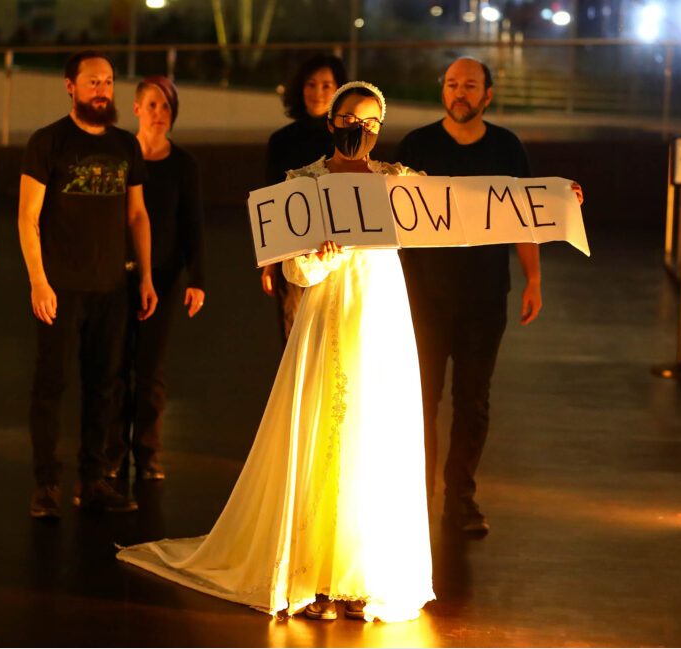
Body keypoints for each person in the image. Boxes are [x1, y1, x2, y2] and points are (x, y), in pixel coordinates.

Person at [118, 81, 434, 623]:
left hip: (379, 320)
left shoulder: (397, 183)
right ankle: (314, 573)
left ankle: (361, 574)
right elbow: (294, 269)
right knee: (323, 433)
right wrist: (320, 257)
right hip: (326, 316)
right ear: (331, 120)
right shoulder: (303, 183)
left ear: (379, 130)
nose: (356, 129)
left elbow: (465, 211)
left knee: (370, 437)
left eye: (367, 122)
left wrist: (550, 202)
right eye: (347, 118)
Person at [395, 57, 583, 535]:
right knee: (421, 399)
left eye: (470, 85)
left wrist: (534, 278)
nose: (460, 92)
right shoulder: (416, 146)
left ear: (487, 95)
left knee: (473, 401)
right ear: (444, 92)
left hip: (483, 298)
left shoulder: (506, 147)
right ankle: (414, 497)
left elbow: (525, 214)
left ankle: (460, 497)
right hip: (424, 299)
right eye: (452, 84)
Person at [18, 50, 158, 518]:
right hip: (60, 288)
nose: (102, 89)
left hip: (111, 288)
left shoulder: (125, 145)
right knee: (52, 384)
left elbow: (137, 215)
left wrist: (146, 275)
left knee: (105, 386)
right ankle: (45, 485)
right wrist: (39, 281)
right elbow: (27, 217)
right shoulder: (48, 142)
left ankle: (93, 480)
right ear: (70, 86)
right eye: (92, 81)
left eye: (108, 81)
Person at [104, 76, 206, 481]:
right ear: (136, 109)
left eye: (166, 107)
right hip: (112, 275)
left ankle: (147, 455)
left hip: (163, 276)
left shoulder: (184, 165)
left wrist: (198, 278)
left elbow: (193, 224)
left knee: (149, 370)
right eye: (152, 105)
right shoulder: (118, 156)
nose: (159, 114)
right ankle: (112, 453)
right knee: (113, 367)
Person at [261, 54, 346, 346]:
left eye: (327, 85)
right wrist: (269, 261)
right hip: (293, 252)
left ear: (340, 90)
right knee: (295, 338)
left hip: (339, 253)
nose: (318, 92)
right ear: (300, 88)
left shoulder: (348, 138)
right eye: (311, 84)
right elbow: (271, 197)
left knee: (335, 338)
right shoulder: (281, 140)